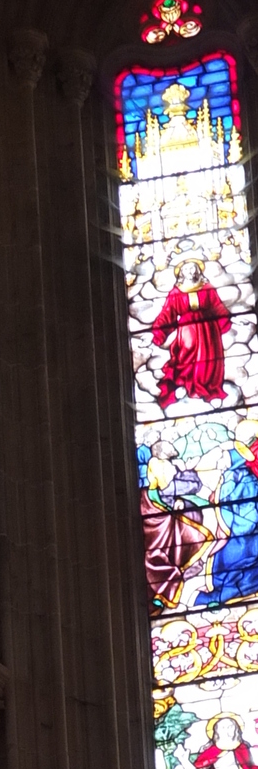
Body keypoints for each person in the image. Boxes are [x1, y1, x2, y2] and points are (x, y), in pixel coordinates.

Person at [139, 437, 212, 611]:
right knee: (160, 549)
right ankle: (165, 590)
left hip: (154, 506)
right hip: (156, 511)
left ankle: (162, 592)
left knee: (161, 548)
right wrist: (187, 471)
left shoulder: (157, 464)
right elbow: (173, 488)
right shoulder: (163, 466)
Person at [152, 259, 231, 409]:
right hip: (187, 328)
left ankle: (209, 390)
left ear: (198, 270)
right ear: (181, 272)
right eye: (187, 269)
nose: (191, 271)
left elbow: (217, 306)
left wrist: (229, 320)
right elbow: (167, 313)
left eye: (193, 268)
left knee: (210, 358)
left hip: (209, 327)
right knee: (186, 354)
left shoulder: (207, 287)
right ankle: (187, 385)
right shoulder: (176, 292)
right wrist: (157, 333)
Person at [199, 429, 258, 607]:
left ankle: (224, 593)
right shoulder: (236, 475)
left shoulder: (240, 476)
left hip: (243, 531)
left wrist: (220, 495)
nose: (220, 463)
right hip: (242, 530)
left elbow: (247, 514)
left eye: (223, 459)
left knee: (235, 559)